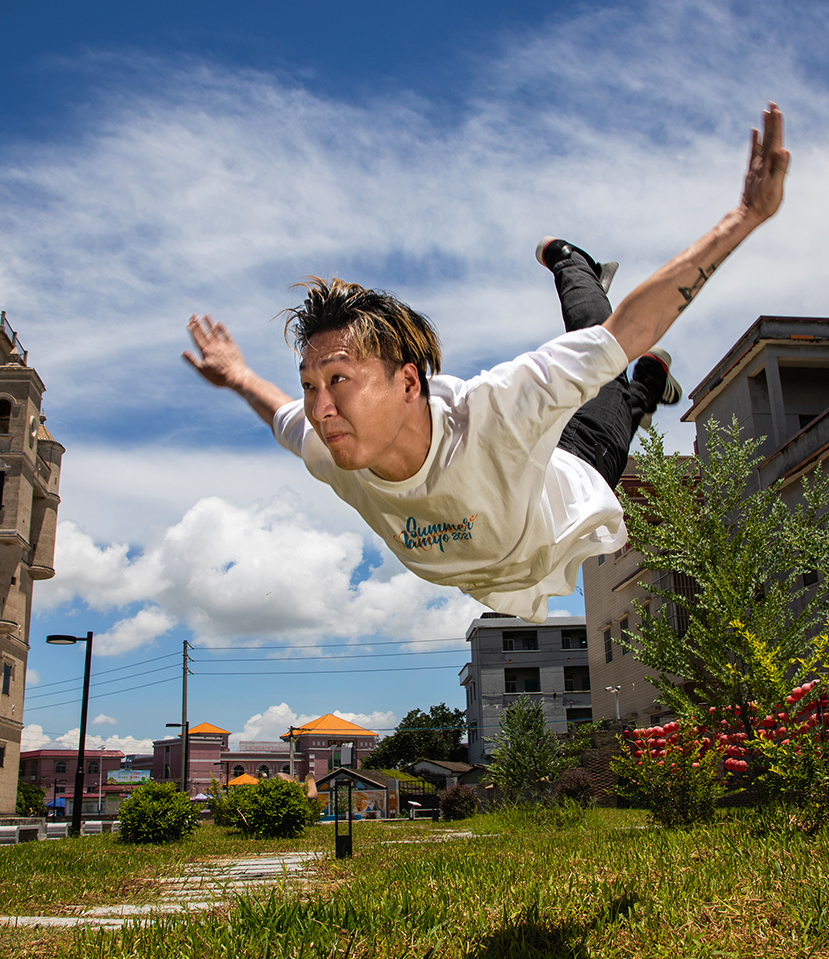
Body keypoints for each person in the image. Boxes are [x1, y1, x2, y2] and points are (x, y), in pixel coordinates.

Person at [183, 104, 790, 621]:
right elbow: (278, 413)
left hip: (572, 468)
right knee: (626, 382)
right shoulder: (327, 444)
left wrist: (745, 217)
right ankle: (648, 387)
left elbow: (629, 328)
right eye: (311, 385)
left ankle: (574, 264)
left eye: (339, 380)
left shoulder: (496, 410)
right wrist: (235, 374)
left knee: (603, 354)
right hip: (503, 561)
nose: (320, 407)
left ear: (407, 382)